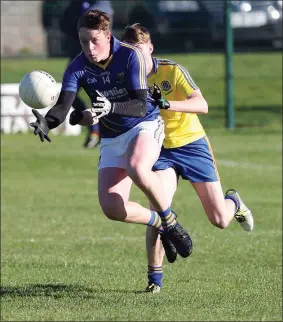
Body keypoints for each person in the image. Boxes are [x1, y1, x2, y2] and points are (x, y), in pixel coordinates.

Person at [29, 10, 193, 261]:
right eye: (84, 41)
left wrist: (111, 107)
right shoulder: (77, 67)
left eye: (94, 40)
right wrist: (48, 123)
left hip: (144, 125)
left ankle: (171, 224)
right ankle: (158, 223)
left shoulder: (130, 55)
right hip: (112, 136)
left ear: (108, 35)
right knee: (112, 208)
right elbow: (63, 106)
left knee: (137, 167)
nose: (89, 48)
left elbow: (139, 105)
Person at [122, 23, 254, 294]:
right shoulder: (126, 76)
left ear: (150, 48)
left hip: (192, 145)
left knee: (219, 219)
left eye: (140, 51)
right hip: (158, 148)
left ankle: (234, 202)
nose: (137, 57)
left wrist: (167, 104)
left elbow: (202, 105)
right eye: (131, 52)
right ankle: (154, 280)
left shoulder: (173, 70)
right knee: (160, 207)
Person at [60, 1, 114, 148]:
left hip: (97, 59)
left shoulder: (101, 4)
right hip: (77, 57)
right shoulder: (76, 4)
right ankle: (94, 130)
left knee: (100, 96)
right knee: (69, 96)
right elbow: (64, 23)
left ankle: (102, 133)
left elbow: (97, 25)